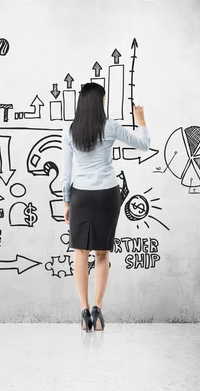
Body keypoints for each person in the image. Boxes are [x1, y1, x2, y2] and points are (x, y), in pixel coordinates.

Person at [61, 82, 150, 332]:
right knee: (102, 253)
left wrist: (66, 201)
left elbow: (65, 174)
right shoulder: (110, 126)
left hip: (80, 195)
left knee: (80, 252)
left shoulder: (70, 131)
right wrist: (141, 120)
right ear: (100, 102)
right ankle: (98, 310)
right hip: (107, 195)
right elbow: (144, 145)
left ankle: (84, 310)